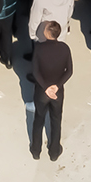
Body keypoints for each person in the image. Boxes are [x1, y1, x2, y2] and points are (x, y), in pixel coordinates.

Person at [28, 20, 70, 160]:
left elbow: (35, 72)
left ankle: (36, 150)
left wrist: (46, 87)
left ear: (46, 33)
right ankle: (54, 152)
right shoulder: (65, 48)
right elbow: (69, 71)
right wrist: (56, 86)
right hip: (58, 92)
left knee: (39, 119)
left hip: (42, 92)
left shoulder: (39, 49)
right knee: (56, 120)